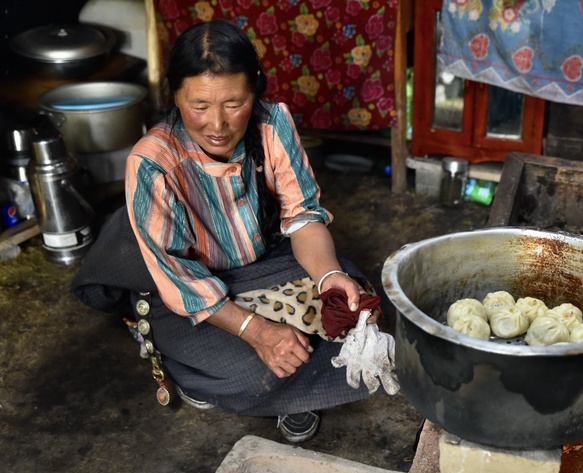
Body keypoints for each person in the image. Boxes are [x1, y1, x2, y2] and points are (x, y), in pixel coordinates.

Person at [72, 19, 380, 443]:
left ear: (254, 92)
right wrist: (258, 332)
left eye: (234, 103)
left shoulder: (273, 124)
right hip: (192, 291)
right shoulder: (152, 162)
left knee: (360, 309)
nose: (217, 124)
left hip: (263, 262)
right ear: (174, 96)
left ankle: (287, 377)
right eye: (199, 106)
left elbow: (303, 217)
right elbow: (180, 282)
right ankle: (189, 366)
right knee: (257, 372)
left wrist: (329, 279)